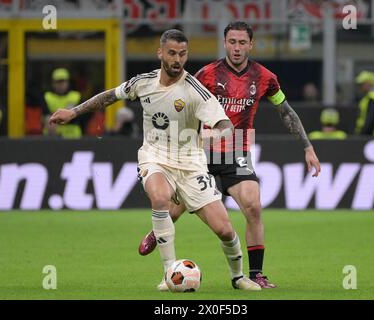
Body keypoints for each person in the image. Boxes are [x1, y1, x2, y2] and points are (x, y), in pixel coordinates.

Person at [49, 29, 261, 292]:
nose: (177, 59)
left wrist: (212, 136)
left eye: (182, 54)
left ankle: (238, 277)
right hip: (155, 157)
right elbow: (110, 97)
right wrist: (74, 111)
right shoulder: (143, 83)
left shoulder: (195, 90)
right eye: (172, 53)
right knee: (160, 197)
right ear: (160, 52)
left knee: (225, 230)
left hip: (191, 163)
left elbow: (226, 125)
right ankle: (169, 272)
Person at [138, 21, 322, 289]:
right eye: (232, 42)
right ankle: (158, 236)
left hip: (237, 149)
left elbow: (286, 112)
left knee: (253, 206)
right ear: (225, 43)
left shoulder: (265, 77)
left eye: (242, 43)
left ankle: (256, 273)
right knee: (173, 210)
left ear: (251, 44)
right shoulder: (206, 74)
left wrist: (307, 146)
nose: (237, 48)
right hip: (200, 151)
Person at [42, 68, 84, 138]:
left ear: (68, 82)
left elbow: (81, 117)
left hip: (72, 136)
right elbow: (44, 115)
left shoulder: (76, 96)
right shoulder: (47, 97)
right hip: (52, 136)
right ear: (53, 83)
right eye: (58, 82)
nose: (60, 85)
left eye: (63, 82)